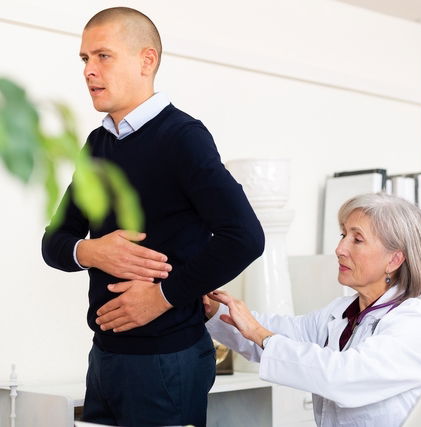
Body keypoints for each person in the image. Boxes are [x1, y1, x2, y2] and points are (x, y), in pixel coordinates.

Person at [41, 7, 265, 427]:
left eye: (103, 56)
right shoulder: (96, 145)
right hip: (105, 358)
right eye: (84, 59)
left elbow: (245, 237)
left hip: (167, 361)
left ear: (147, 61)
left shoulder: (183, 137)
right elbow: (54, 241)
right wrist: (91, 251)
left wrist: (162, 297)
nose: (89, 70)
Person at [204, 193, 421, 427]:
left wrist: (259, 333)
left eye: (357, 239)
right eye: (343, 235)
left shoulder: (414, 323)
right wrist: (213, 310)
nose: (340, 248)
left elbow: (343, 378)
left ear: (394, 260)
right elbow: (279, 332)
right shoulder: (341, 312)